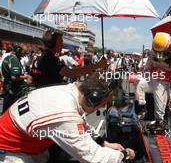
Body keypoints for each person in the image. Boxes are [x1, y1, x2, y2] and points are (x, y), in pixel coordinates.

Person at [0, 77, 135, 163]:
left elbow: (81, 124)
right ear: (92, 101)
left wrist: (103, 143)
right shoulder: (66, 114)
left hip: (28, 143)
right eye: (103, 104)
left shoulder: (68, 91)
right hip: (12, 153)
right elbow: (91, 157)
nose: (102, 107)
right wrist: (123, 155)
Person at [135, 32, 171, 130]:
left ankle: (159, 122)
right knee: (139, 82)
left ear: (170, 48)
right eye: (157, 52)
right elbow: (147, 69)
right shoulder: (152, 53)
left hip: (164, 83)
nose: (159, 56)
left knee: (160, 95)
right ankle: (142, 108)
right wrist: (147, 78)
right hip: (152, 80)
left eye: (162, 53)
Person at [31, 30, 108, 87]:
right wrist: (98, 65)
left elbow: (30, 78)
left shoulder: (38, 58)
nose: (62, 44)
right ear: (52, 44)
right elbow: (72, 73)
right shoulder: (50, 60)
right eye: (60, 42)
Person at [1, 44, 32, 113]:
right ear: (18, 51)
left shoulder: (9, 57)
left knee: (5, 110)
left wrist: (22, 74)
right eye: (24, 52)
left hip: (8, 88)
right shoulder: (14, 60)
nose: (25, 55)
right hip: (13, 91)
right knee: (10, 111)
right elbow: (14, 77)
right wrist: (26, 77)